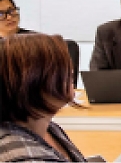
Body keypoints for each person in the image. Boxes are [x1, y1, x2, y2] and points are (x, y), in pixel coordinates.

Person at [0, 33, 86, 162]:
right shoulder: (24, 157)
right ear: (31, 79)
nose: (71, 70)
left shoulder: (47, 127)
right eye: (60, 66)